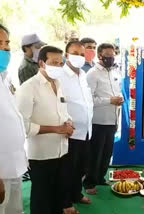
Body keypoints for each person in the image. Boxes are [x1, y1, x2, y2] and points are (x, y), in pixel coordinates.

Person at [16, 46, 77, 214]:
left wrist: (69, 123)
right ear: (42, 63)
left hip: (62, 151)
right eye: (54, 63)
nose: (58, 66)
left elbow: (63, 112)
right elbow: (23, 126)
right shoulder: (28, 88)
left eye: (60, 63)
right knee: (42, 199)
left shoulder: (58, 84)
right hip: (41, 155)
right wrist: (56, 129)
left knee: (58, 195)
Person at [84, 43, 124, 195]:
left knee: (107, 152)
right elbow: (89, 99)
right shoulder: (92, 74)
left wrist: (119, 99)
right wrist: (109, 100)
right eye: (107, 55)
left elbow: (117, 90)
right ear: (99, 56)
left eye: (113, 55)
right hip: (98, 121)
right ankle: (89, 183)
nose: (111, 58)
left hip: (112, 119)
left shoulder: (115, 71)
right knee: (95, 153)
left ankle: (100, 177)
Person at [59, 41, 93, 205]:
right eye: (74, 53)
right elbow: (58, 103)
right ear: (66, 56)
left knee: (81, 167)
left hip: (86, 130)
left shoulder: (83, 75)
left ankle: (76, 194)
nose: (79, 57)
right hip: (70, 132)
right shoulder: (60, 76)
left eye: (81, 54)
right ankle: (65, 203)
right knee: (68, 170)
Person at [0, 24, 28, 214]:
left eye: (7, 43)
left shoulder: (4, 78)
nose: (5, 48)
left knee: (14, 210)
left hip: (14, 164)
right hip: (1, 170)